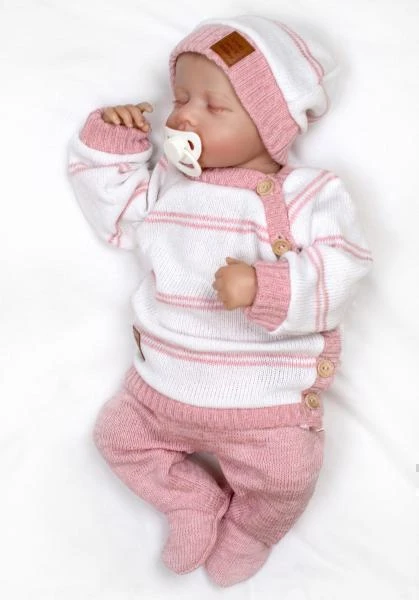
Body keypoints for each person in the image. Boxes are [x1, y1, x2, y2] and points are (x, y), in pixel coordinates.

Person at [67, 15, 373, 587]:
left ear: (271, 125)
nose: (184, 116)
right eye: (181, 98)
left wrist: (266, 286)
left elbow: (345, 265)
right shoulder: (170, 184)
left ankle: (252, 529)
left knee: (288, 475)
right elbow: (117, 215)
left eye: (213, 106)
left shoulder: (307, 194)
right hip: (158, 393)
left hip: (266, 409)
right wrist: (113, 142)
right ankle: (190, 499)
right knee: (116, 437)